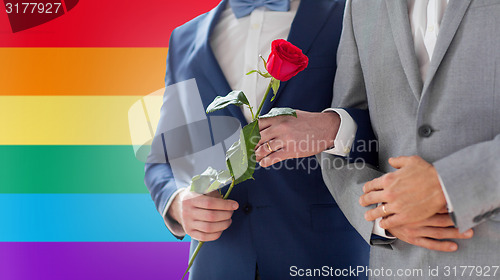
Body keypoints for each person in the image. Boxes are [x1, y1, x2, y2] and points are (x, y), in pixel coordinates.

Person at [257, 0, 500, 278]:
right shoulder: (360, 5)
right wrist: (382, 215)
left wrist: (447, 184)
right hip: (400, 265)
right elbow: (349, 129)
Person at [144, 0, 375, 279]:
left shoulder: (348, 13)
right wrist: (179, 202)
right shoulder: (184, 38)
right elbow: (164, 155)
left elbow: (393, 127)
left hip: (325, 258)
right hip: (217, 264)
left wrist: (330, 128)